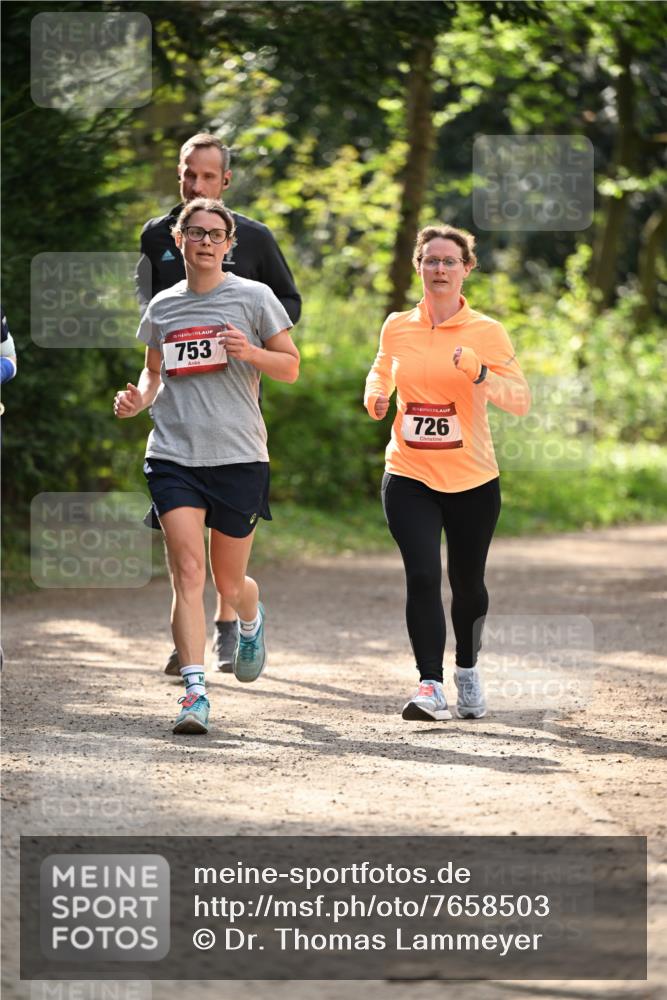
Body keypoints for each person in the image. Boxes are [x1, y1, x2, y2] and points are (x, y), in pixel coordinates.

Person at [116, 198, 299, 734]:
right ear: (178, 240)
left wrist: (250, 353)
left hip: (239, 455)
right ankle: (195, 694)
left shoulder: (255, 297)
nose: (204, 241)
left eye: (215, 234)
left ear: (229, 244)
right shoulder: (163, 307)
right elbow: (153, 374)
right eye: (194, 232)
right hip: (173, 455)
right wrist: (138, 401)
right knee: (188, 574)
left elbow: (289, 367)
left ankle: (248, 614)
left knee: (228, 579)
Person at [364, 224, 530, 722]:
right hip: (409, 471)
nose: (439, 269)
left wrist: (481, 372)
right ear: (418, 266)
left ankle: (468, 668)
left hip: (473, 479)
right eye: (431, 260)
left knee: (468, 583)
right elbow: (382, 366)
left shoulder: (487, 331)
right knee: (421, 573)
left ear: (466, 270)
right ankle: (430, 684)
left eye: (449, 262)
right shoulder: (397, 324)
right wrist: (376, 394)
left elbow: (519, 400)